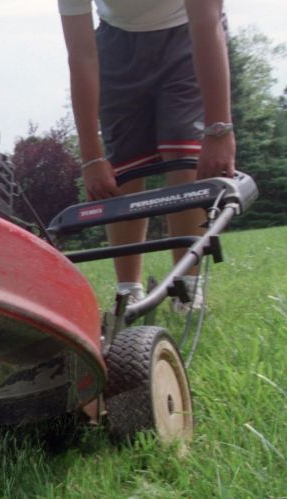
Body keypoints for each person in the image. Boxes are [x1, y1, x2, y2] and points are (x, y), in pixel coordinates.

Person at [58, 0, 236, 311]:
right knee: (122, 171)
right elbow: (82, 57)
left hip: (188, 34)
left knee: (183, 159)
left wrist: (218, 129)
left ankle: (187, 289)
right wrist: (91, 157)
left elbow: (207, 21)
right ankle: (128, 291)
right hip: (116, 45)